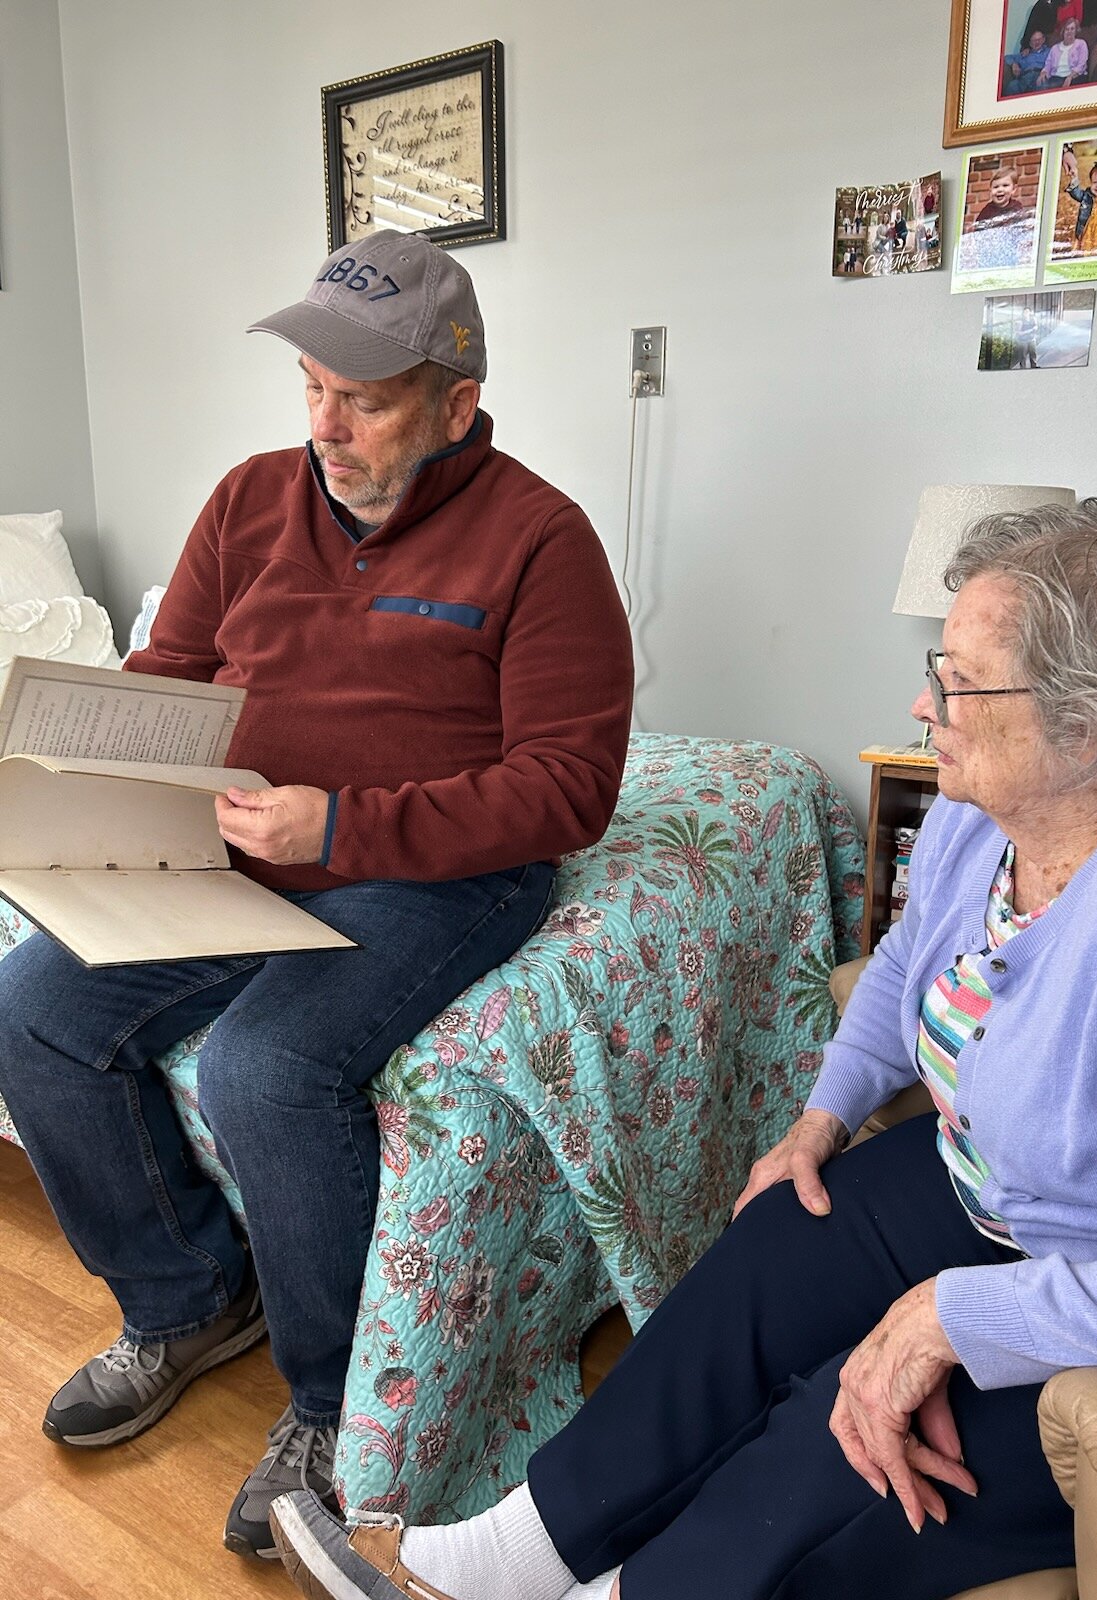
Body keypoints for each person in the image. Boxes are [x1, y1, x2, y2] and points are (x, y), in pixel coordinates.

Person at [268, 494, 1097, 1600]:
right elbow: (907, 967)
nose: (920, 701)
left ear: (1092, 726)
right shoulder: (978, 808)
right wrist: (822, 1118)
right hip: (990, 1186)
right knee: (766, 1250)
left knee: (845, 1438)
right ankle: (506, 1559)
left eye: (957, 679)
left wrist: (959, 1316)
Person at [0, 229, 634, 1559]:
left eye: (366, 397)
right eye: (310, 387)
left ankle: (337, 1405)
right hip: (241, 854)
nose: (327, 425)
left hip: (440, 874)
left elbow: (567, 789)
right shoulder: (246, 502)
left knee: (261, 1070)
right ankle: (184, 1300)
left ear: (455, 404)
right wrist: (86, 774)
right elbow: (172, 675)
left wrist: (344, 817)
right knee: (30, 1005)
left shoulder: (541, 539)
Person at [968, 168, 1034, 271]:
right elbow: (978, 232)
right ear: (990, 190)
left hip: (1010, 254)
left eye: (1005, 185)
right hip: (989, 255)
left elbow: (1023, 230)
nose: (1000, 190)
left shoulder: (1016, 208)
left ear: (1014, 189)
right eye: (996, 187)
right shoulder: (987, 211)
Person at [1037, 17, 1088, 85]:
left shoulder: (1081, 44)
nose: (1069, 32)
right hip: (1056, 77)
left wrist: (1070, 76)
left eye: (1072, 29)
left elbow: (1081, 64)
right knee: (1041, 83)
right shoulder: (1054, 48)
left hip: (1075, 76)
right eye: (1067, 29)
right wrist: (1043, 73)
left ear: (1076, 31)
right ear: (1063, 31)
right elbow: (1048, 64)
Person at [1002, 30, 1050, 94]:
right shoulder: (1024, 54)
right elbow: (1007, 57)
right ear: (1030, 43)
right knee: (1012, 86)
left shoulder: (1049, 51)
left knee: (1042, 86)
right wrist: (1014, 64)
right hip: (1024, 78)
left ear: (1043, 40)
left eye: (1039, 39)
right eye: (1034, 40)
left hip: (1039, 75)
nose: (1037, 42)